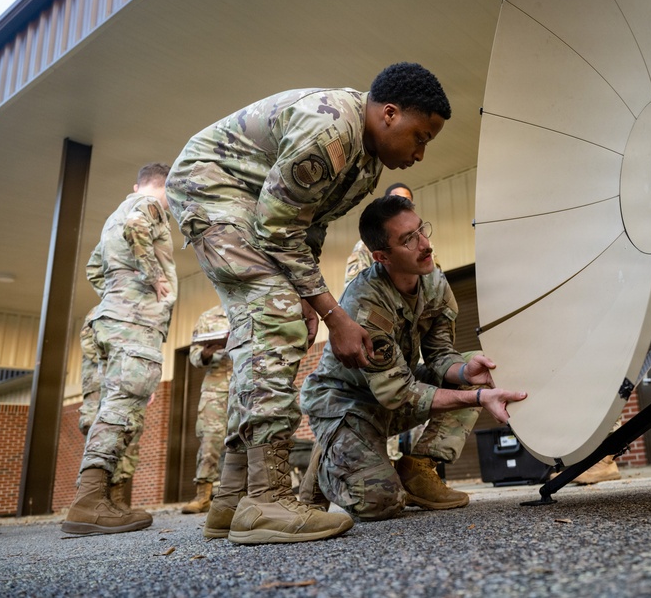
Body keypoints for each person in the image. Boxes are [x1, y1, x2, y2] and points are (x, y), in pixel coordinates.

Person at [165, 61, 451, 545]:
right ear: (389, 114)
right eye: (420, 137)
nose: (420, 153)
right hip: (212, 188)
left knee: (277, 320)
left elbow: (308, 224)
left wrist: (307, 295)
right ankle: (268, 498)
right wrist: (332, 314)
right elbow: (278, 226)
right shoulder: (329, 131)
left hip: (257, 207)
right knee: (274, 315)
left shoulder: (367, 162)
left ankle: (231, 500)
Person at [299, 195, 527, 521]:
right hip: (346, 402)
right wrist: (478, 398)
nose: (425, 244)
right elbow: (399, 393)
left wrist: (465, 373)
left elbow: (440, 355)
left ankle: (418, 469)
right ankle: (328, 456)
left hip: (392, 391)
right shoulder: (366, 304)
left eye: (421, 230)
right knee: (382, 502)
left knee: (478, 362)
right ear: (382, 257)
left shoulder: (434, 282)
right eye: (409, 239)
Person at [62, 163, 177, 535]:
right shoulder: (150, 206)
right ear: (168, 187)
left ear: (136, 184)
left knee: (110, 405)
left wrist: (117, 295)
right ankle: (89, 502)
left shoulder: (115, 214)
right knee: (122, 405)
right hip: (134, 322)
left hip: (111, 318)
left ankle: (101, 498)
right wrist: (154, 278)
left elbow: (95, 267)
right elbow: (137, 228)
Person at [344, 182, 429, 462]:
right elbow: (356, 294)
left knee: (419, 395)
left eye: (408, 201)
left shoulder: (421, 245)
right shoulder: (366, 249)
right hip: (380, 333)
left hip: (410, 338)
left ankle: (422, 466)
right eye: (396, 199)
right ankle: (383, 461)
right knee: (384, 396)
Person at [77, 306, 143, 510]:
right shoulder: (100, 310)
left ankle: (117, 496)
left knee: (129, 430)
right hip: (100, 384)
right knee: (97, 432)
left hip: (127, 383)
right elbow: (90, 346)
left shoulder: (137, 312)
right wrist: (121, 363)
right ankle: (91, 496)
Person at [180, 305, 231, 514]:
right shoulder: (208, 317)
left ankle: (244, 493)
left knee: (251, 437)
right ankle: (203, 495)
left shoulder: (253, 308)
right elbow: (194, 355)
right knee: (211, 438)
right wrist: (205, 354)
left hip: (249, 383)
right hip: (215, 387)